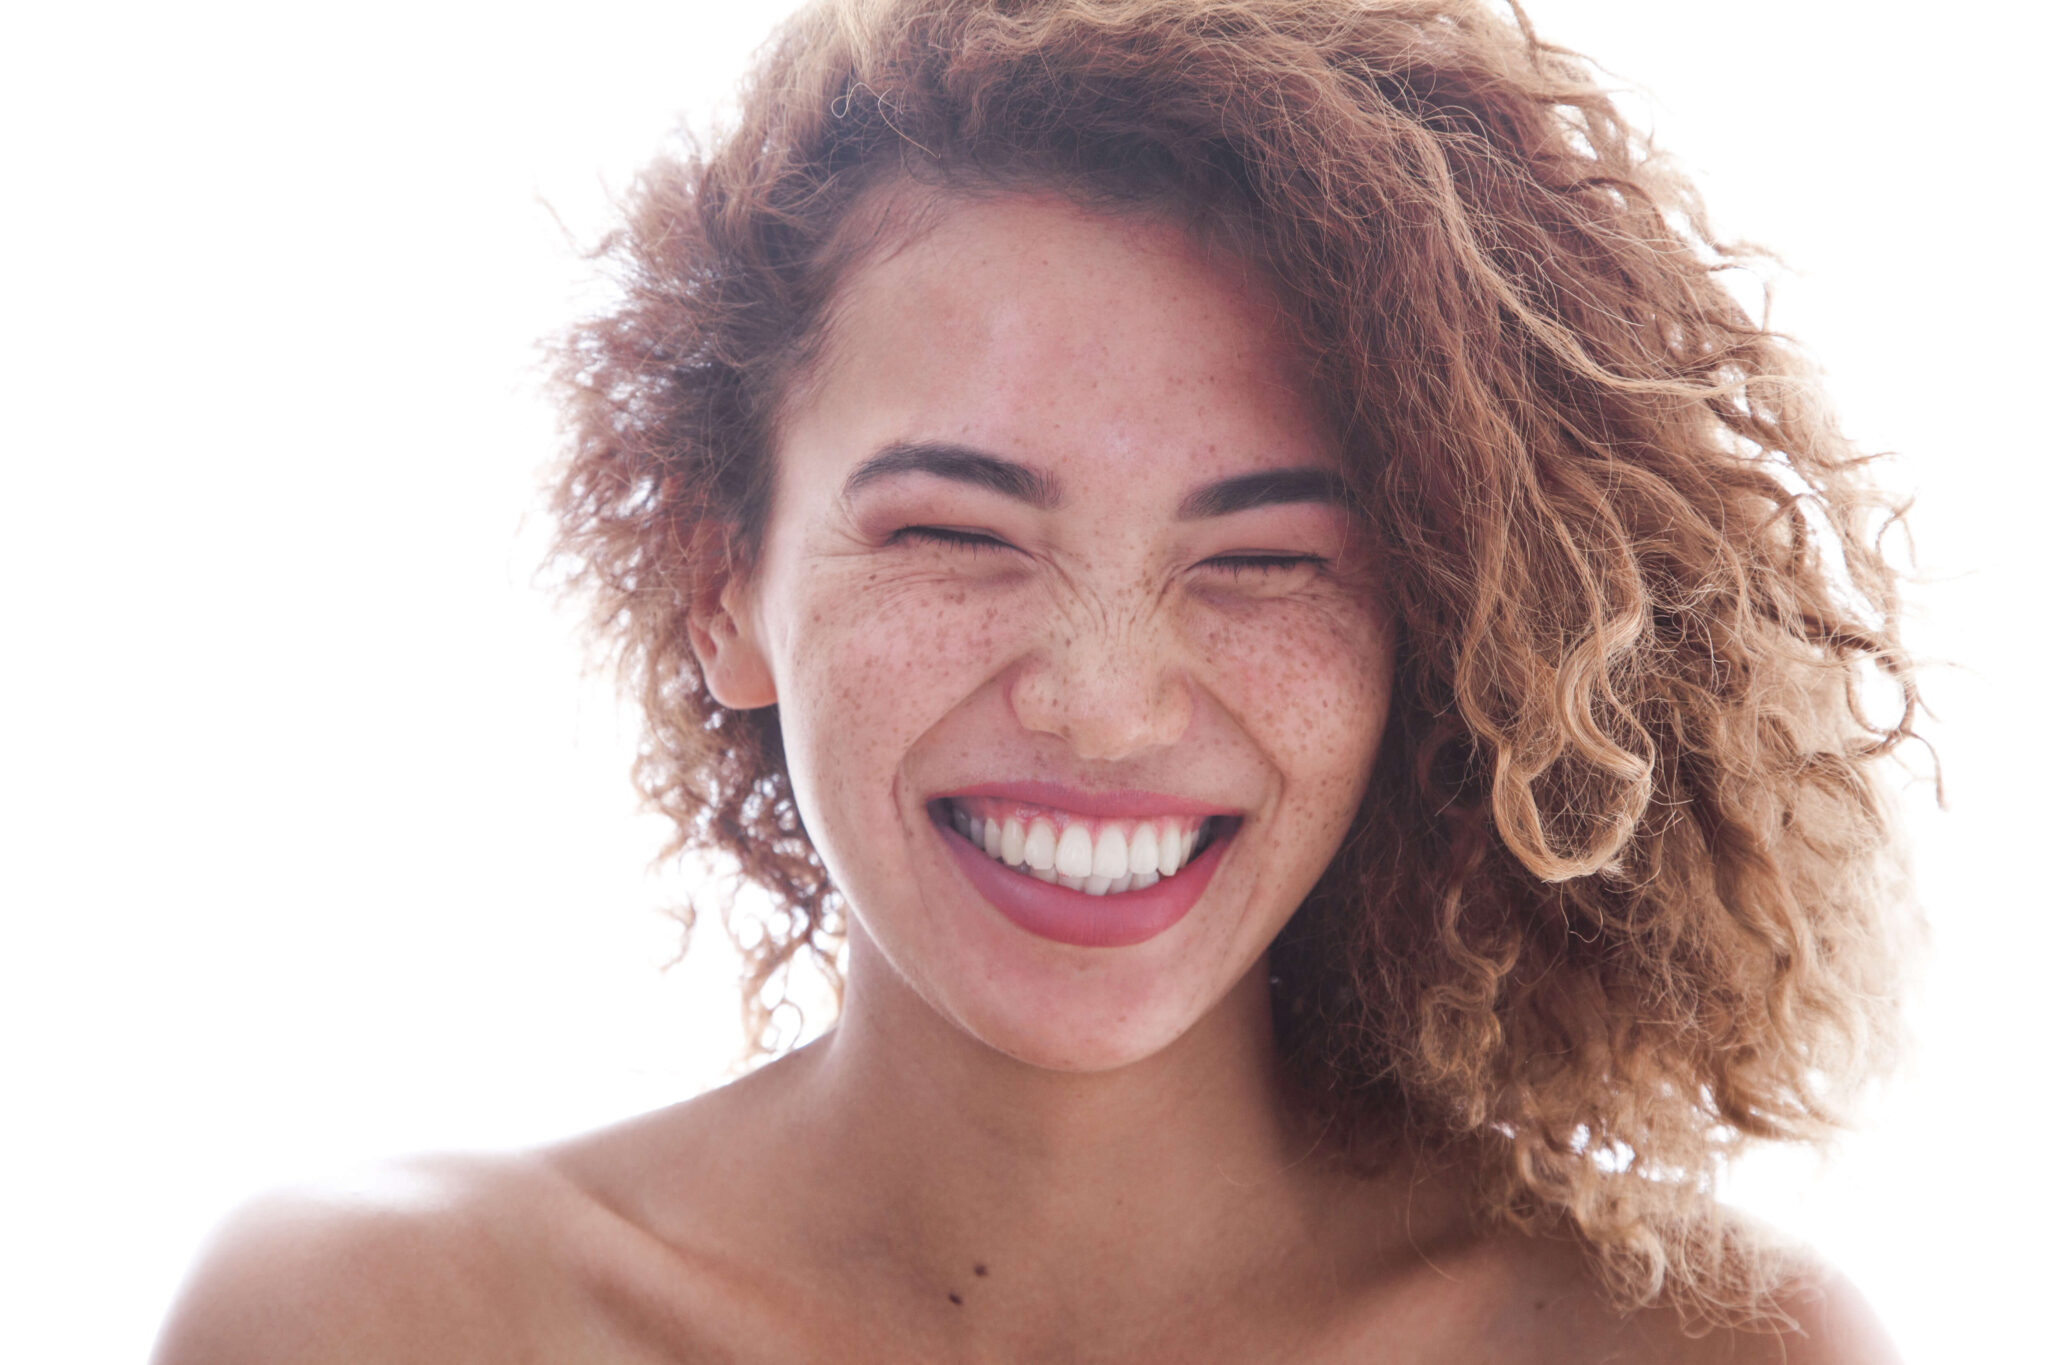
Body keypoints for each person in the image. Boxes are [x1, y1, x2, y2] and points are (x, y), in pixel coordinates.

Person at [152, 0, 1919, 1359]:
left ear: (1433, 626)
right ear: (723, 583)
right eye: (953, 534)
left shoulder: (1691, 1352)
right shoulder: (375, 1324)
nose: (1102, 702)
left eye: (1265, 557)